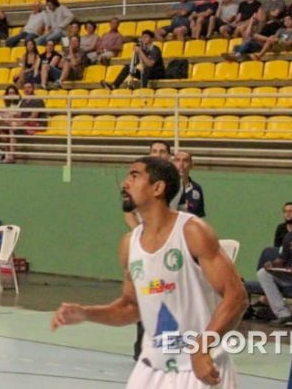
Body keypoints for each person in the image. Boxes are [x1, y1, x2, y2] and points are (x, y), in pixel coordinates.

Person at [52, 156, 248, 388]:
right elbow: (131, 307)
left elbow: (237, 296)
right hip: (151, 369)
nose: (125, 183)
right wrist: (86, 313)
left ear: (158, 188)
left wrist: (202, 347)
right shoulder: (129, 244)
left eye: (134, 176)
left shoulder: (192, 231)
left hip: (199, 369)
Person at [175, 150, 205, 217]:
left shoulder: (197, 188)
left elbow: (199, 216)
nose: (181, 164)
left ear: (191, 165)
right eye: (177, 160)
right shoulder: (168, 186)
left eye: (185, 161)